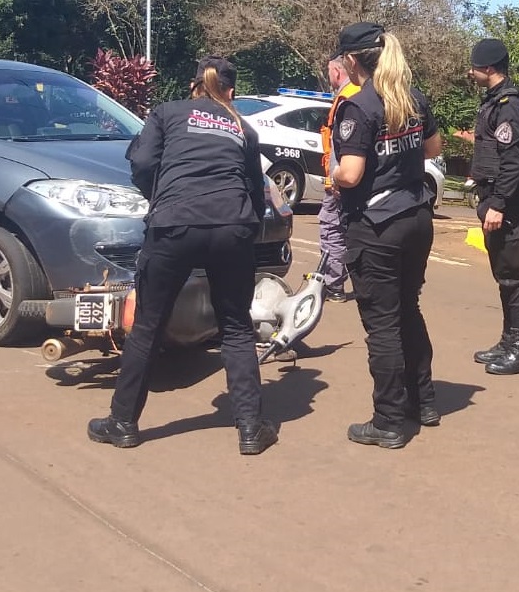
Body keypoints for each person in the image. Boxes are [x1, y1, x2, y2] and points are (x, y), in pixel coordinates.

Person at [87, 55, 278, 455]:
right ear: (231, 92)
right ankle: (250, 428)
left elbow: (142, 162)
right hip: (232, 226)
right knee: (236, 327)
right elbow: (255, 189)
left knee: (148, 325)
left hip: (174, 224)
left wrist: (159, 198)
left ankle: (122, 423)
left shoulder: (167, 113)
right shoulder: (243, 127)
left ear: (194, 86)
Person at [330, 22, 443, 449]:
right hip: (416, 217)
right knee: (408, 310)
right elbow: (433, 148)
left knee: (382, 324)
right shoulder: (412, 97)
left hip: (377, 225)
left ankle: (389, 420)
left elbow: (351, 173)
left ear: (351, 60)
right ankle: (423, 401)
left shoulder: (359, 106)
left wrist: (333, 175)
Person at [467, 38, 519, 375]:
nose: (470, 72)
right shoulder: (495, 101)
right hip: (494, 199)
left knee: (513, 278)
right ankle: (507, 342)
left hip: (506, 205)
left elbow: (513, 162)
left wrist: (498, 204)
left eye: (474, 67)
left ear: (489, 68)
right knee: (503, 277)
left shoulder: (511, 106)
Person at [318, 55, 361, 301]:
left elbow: (339, 145)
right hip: (356, 177)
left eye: (328, 71)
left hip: (342, 178)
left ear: (337, 71)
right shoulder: (363, 93)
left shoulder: (347, 98)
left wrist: (335, 180)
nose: (328, 76)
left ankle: (333, 284)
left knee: (331, 228)